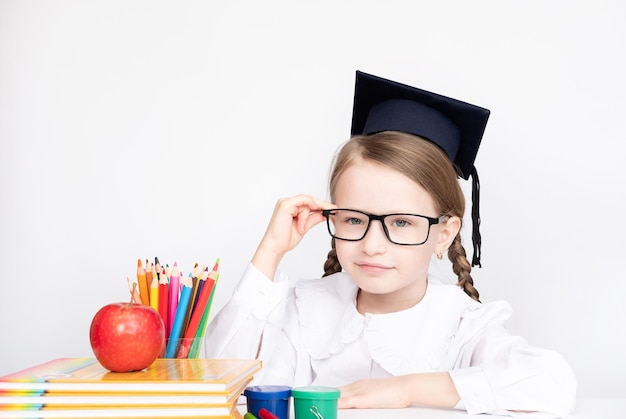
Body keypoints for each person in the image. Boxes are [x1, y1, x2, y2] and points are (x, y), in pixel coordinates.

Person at [205, 71, 577, 416]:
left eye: (400, 222)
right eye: (354, 219)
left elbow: (552, 383)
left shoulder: (462, 324)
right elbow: (224, 382)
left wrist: (407, 389)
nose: (371, 245)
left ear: (443, 234)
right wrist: (269, 254)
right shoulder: (304, 312)